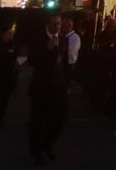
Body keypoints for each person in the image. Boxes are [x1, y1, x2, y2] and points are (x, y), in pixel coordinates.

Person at [28, 15, 69, 165]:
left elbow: (62, 63)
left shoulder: (64, 39)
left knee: (60, 117)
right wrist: (46, 49)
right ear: (47, 24)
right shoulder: (39, 39)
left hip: (58, 86)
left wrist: (66, 84)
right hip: (41, 85)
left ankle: (48, 144)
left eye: (59, 23)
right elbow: (31, 61)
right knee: (38, 121)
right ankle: (36, 151)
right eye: (54, 23)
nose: (57, 26)